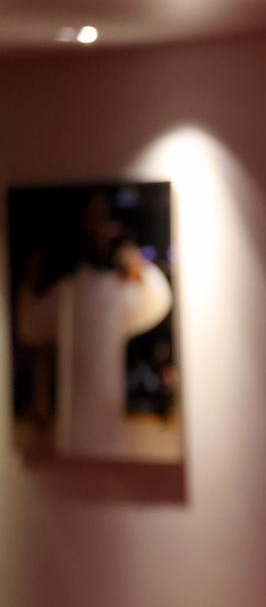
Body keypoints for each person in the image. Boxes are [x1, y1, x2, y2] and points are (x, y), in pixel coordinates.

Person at [13, 191, 173, 458]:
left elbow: (158, 300)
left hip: (108, 426)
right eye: (92, 218)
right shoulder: (68, 292)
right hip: (72, 429)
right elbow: (30, 324)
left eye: (102, 218)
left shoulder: (113, 291)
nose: (98, 229)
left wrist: (138, 265)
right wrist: (29, 282)